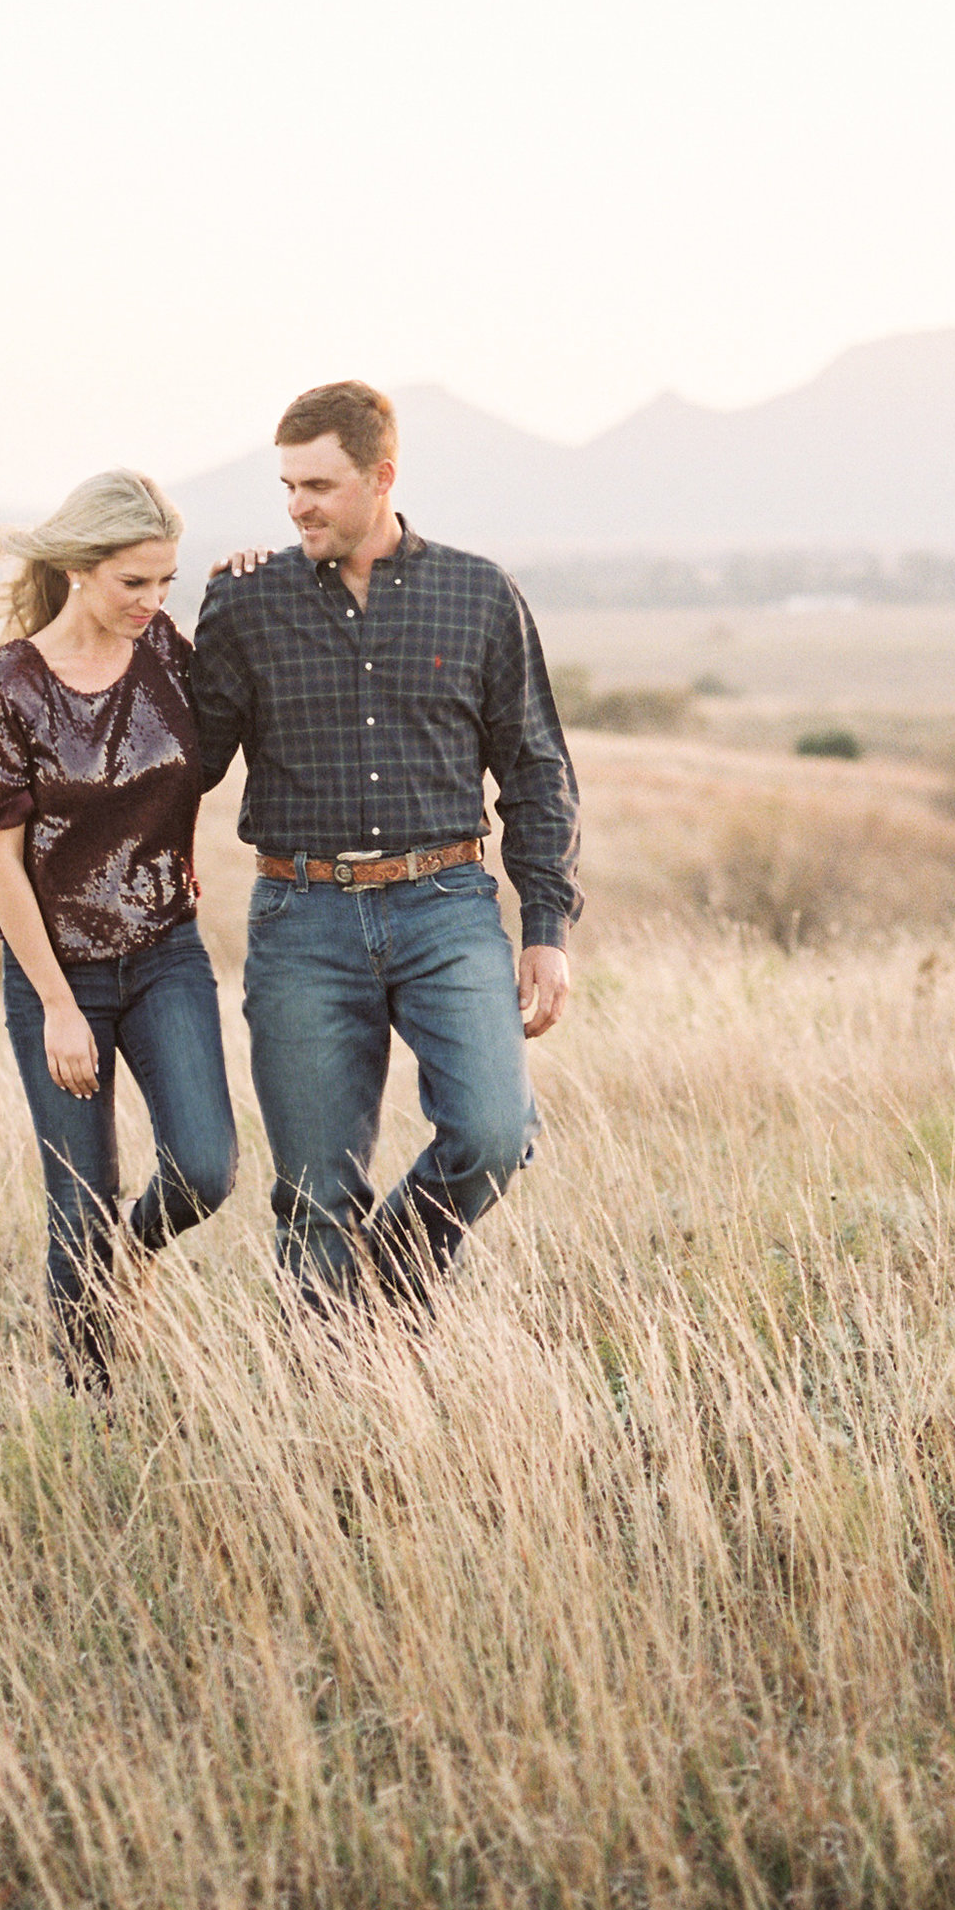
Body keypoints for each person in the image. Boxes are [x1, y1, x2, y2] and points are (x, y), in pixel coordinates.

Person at [192, 380, 581, 1317]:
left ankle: (391, 1283)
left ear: (381, 478)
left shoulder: (479, 595)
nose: (297, 506)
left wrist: (547, 926)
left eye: (318, 486)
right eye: (288, 487)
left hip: (445, 907)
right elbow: (190, 765)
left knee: (494, 1133)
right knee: (315, 1193)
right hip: (302, 920)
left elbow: (536, 769)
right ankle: (339, 1385)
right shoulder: (247, 602)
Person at [0, 471, 237, 1389]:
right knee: (79, 1208)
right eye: (133, 582)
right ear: (79, 568)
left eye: (167, 581)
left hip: (166, 953)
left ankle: (134, 1255)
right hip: (58, 970)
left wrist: (248, 587)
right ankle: (94, 1409)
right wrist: (58, 1007)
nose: (153, 602)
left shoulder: (167, 657)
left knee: (205, 1168)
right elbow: (4, 865)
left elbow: (231, 721)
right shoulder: (10, 688)